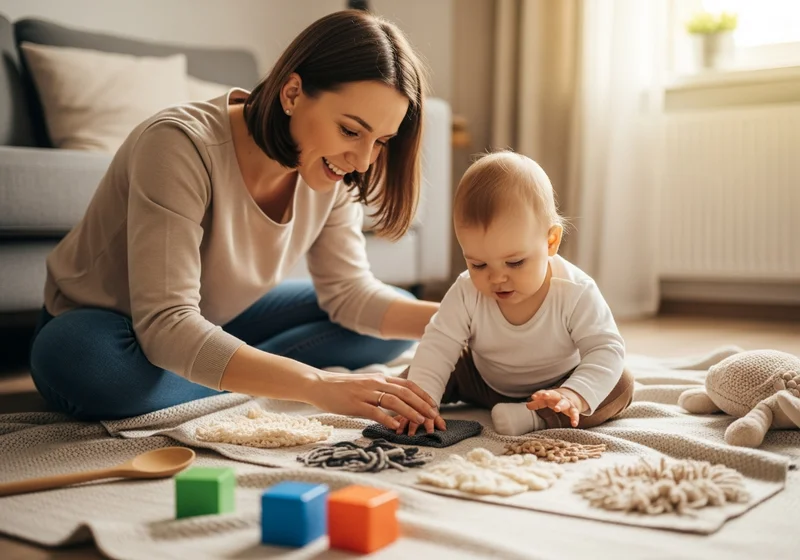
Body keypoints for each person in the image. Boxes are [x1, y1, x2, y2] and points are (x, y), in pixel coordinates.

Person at [28, 10, 441, 428]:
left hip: (212, 317)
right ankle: (259, 372)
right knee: (88, 366)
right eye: (351, 131)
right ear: (292, 94)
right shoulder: (178, 145)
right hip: (109, 328)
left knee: (393, 318)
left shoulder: (332, 167)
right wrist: (315, 384)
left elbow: (350, 294)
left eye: (381, 141)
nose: (364, 160)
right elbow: (166, 323)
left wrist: (466, 319)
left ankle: (237, 367)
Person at [397, 151, 634, 437]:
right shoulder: (466, 291)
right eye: (478, 264)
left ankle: (536, 417)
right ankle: (413, 406)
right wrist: (422, 401)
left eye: (515, 262)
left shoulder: (575, 291)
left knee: (619, 384)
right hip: (480, 379)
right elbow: (438, 344)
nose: (497, 278)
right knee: (415, 379)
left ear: (551, 242)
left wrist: (572, 395)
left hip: (557, 385)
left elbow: (605, 348)